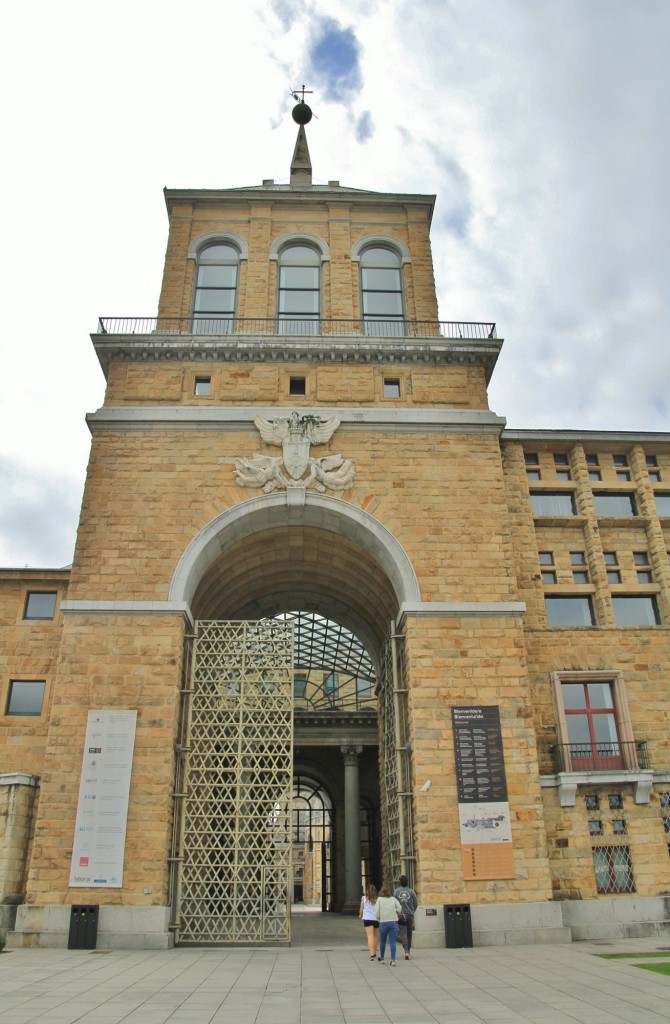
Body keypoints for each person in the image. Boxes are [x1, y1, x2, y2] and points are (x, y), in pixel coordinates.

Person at [375, 884, 402, 965]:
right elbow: (400, 908)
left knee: (382, 941)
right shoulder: (393, 899)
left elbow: (376, 912)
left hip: (383, 922)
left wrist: (379, 918)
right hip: (393, 922)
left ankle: (382, 958)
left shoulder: (379, 899)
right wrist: (395, 910)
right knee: (392, 942)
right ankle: (393, 960)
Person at [393, 874, 418, 960]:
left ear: (399, 882)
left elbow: (394, 903)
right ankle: (408, 951)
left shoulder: (396, 892)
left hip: (400, 915)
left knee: (403, 932)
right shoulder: (411, 892)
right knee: (409, 933)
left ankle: (406, 950)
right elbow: (416, 904)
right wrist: (412, 910)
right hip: (410, 915)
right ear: (407, 882)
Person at [359, 883, 379, 960]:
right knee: (376, 936)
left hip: (367, 919)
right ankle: (375, 952)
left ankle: (372, 954)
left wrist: (360, 915)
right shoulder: (377, 899)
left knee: (370, 936)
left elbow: (361, 908)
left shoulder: (364, 898)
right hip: (376, 918)